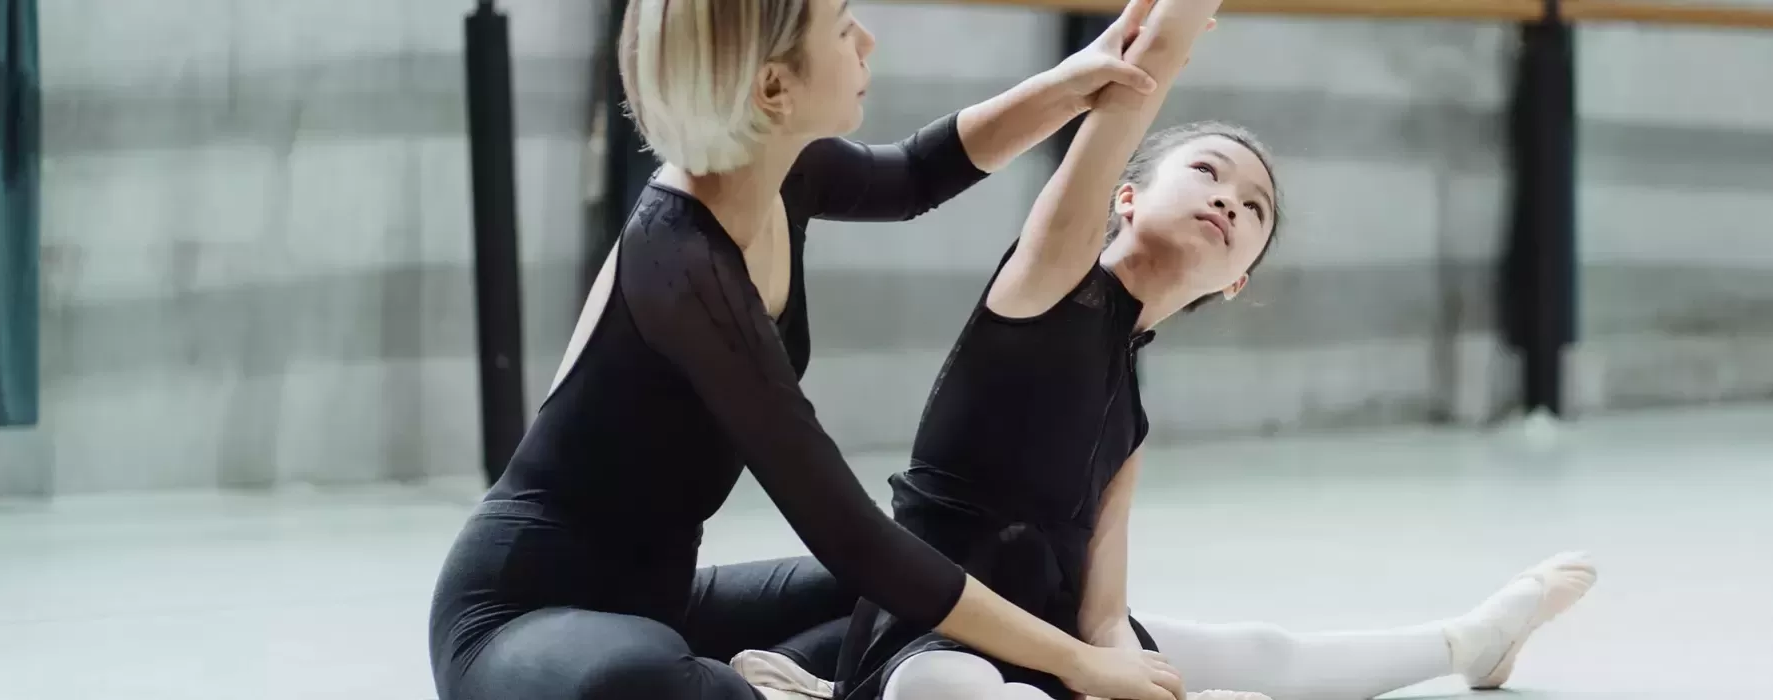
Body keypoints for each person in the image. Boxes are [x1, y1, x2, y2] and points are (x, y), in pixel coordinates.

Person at [724, 3, 1600, 699]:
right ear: (1129, 200)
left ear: (1237, 280)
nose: (1230, 202)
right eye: (1209, 173)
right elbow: (1138, 85)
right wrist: (1172, 29)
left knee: (1257, 650)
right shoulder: (1049, 282)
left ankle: (1470, 639)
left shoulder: (1130, 416)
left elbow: (1104, 615)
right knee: (954, 688)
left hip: (1056, 635)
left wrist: (1120, 668)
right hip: (929, 637)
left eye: (1254, 209)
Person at [425, 0, 1217, 699]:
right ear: (775, 88)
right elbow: (846, 529)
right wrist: (1081, 663)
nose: (866, 40)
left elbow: (914, 173)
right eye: (843, 27)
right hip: (523, 619)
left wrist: (1080, 75)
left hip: (659, 599)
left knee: (953, 581)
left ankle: (792, 682)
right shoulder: (684, 265)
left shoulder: (771, 173)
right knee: (644, 677)